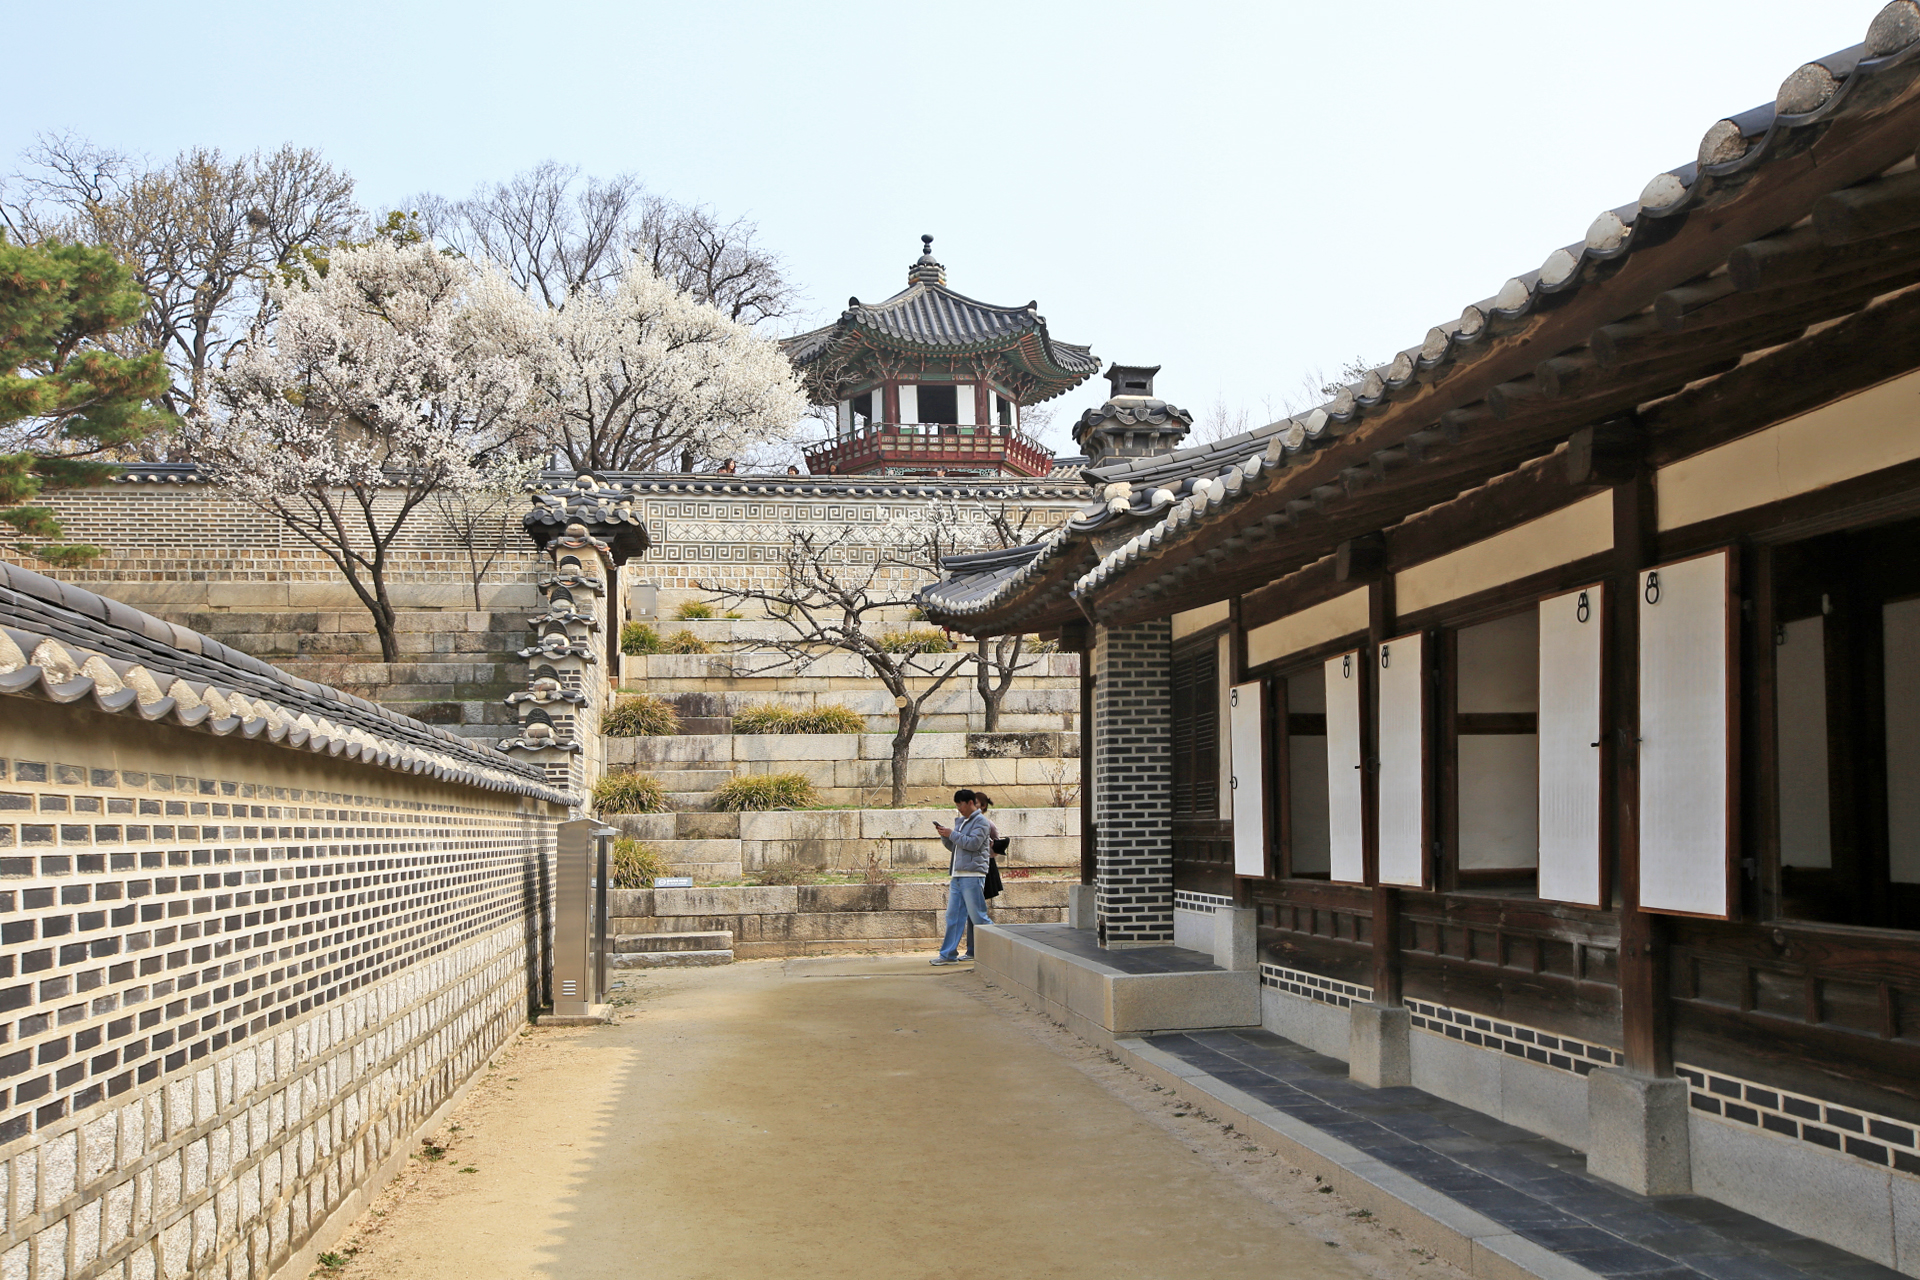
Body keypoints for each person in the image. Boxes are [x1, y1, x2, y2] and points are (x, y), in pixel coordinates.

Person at [931, 788, 992, 965]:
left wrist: (952, 834)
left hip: (973, 875)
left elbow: (973, 844)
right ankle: (948, 955)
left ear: (970, 803)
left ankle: (1000, 946)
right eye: (957, 805)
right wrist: (945, 836)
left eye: (961, 805)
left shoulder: (981, 822)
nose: (959, 808)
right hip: (958, 874)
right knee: (953, 917)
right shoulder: (962, 822)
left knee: (978, 916)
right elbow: (956, 847)